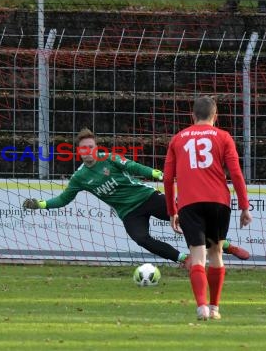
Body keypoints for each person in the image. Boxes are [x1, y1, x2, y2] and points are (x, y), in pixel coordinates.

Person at [23, 128, 249, 268]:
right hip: (128, 213)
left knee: (186, 219)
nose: (88, 151)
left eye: (91, 147)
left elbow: (131, 166)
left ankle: (226, 245)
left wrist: (155, 174)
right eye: (84, 148)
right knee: (141, 238)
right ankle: (184, 259)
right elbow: (63, 199)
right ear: (79, 152)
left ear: (95, 148)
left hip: (147, 197)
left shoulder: (108, 158)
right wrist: (40, 204)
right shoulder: (79, 178)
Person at [163, 96, 252, 321]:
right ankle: (215, 308)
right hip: (218, 203)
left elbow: (167, 178)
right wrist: (244, 206)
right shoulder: (223, 136)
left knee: (197, 257)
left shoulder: (178, 138)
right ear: (215, 116)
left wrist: (172, 210)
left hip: (190, 204)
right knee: (216, 255)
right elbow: (236, 173)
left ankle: (201, 307)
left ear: (192, 116)